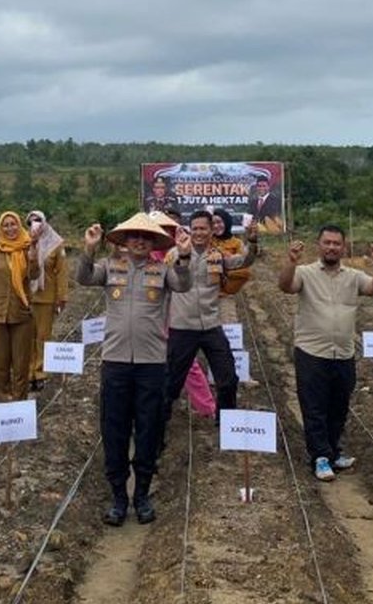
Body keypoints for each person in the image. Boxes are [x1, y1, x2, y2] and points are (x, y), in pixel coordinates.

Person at [76, 213, 192, 526]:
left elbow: (184, 285)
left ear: (154, 242)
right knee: (114, 429)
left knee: (149, 428)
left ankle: (141, 494)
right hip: (114, 362)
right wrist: (88, 248)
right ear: (125, 242)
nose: (139, 241)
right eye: (133, 236)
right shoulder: (111, 267)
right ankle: (118, 496)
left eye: (146, 237)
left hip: (152, 363)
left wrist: (183, 254)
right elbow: (84, 278)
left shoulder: (163, 270)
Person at [279, 225, 373, 481]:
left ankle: (333, 451)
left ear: (343, 247)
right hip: (312, 351)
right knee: (314, 407)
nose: (331, 247)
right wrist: (290, 262)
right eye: (327, 242)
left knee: (339, 406)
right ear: (319, 245)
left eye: (336, 243)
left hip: (344, 353)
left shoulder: (353, 276)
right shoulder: (305, 273)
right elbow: (285, 286)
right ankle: (320, 457)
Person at [162, 211, 259, 428]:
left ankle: (225, 424)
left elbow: (244, 261)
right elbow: (162, 285)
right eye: (194, 228)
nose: (198, 232)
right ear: (189, 229)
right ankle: (160, 423)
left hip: (211, 326)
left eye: (203, 228)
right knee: (170, 382)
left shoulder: (218, 255)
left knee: (228, 379)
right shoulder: (173, 255)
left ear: (210, 230)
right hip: (182, 327)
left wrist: (252, 241)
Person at [0, 211, 41, 402]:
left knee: (21, 365)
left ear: (19, 226)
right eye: (5, 225)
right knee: (0, 365)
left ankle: (19, 403)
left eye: (13, 224)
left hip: (21, 314)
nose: (10, 229)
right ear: (0, 228)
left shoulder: (27, 248)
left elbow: (33, 276)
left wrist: (33, 257)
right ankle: (3, 401)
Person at [25, 210, 68, 392]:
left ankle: (40, 372)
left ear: (45, 222)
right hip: (26, 297)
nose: (35, 224)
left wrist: (62, 296)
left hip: (46, 297)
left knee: (43, 336)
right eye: (32, 221)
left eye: (38, 220)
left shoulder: (56, 243)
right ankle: (28, 373)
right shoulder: (23, 242)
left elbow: (62, 272)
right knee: (27, 337)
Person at [212, 208, 252, 295]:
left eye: (219, 222)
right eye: (213, 223)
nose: (215, 226)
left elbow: (244, 262)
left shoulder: (237, 243)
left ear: (226, 222)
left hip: (228, 292)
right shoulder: (207, 240)